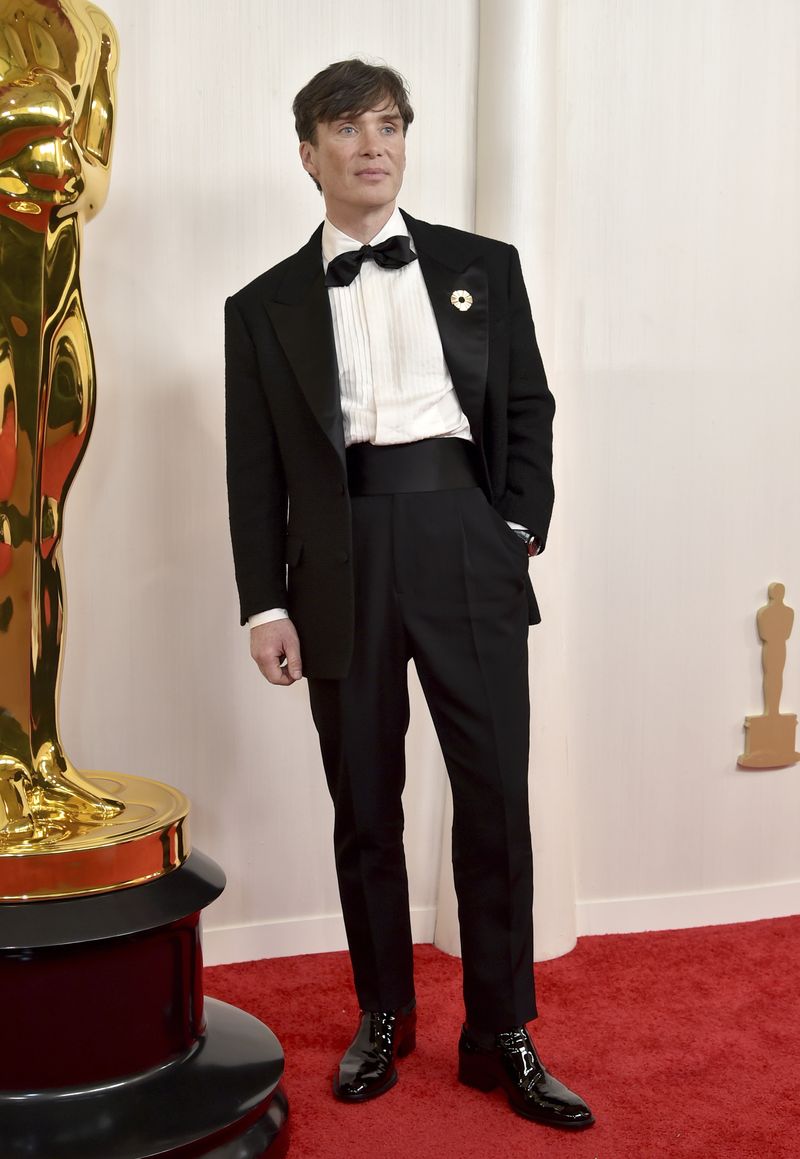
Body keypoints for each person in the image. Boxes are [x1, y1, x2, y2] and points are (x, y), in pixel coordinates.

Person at [225, 58, 593, 1130]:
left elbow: (527, 407)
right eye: (346, 128)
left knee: (493, 798)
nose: (371, 144)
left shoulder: (487, 264)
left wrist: (513, 528)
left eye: (387, 124)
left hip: (464, 541)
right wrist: (264, 604)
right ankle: (383, 1011)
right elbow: (255, 472)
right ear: (310, 154)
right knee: (363, 806)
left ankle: (502, 1030)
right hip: (336, 559)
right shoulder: (262, 307)